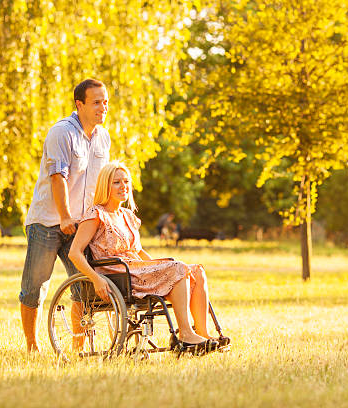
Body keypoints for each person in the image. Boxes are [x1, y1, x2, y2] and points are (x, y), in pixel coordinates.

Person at [68, 161, 221, 354]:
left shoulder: (127, 216)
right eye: (116, 182)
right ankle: (185, 334)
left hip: (137, 268)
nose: (123, 186)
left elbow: (139, 252)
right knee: (179, 268)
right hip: (118, 274)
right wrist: (95, 279)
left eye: (126, 181)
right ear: (105, 185)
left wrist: (160, 265)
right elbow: (74, 253)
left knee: (196, 271)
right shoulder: (96, 214)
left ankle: (203, 335)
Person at [19, 79, 111, 352]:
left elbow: (102, 182)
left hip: (80, 224)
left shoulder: (103, 137)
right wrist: (65, 216)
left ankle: (77, 347)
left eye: (105, 102)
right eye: (96, 102)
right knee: (35, 287)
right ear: (79, 104)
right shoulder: (62, 133)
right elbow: (58, 177)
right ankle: (32, 346)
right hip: (47, 221)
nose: (102, 107)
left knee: (85, 285)